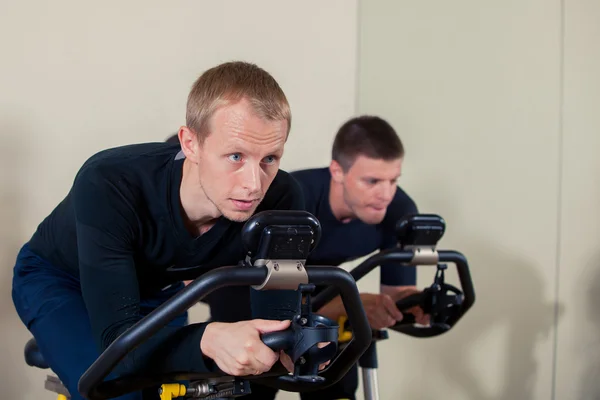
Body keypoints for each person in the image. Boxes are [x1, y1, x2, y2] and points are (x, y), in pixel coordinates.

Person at [12, 61, 309, 400]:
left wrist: (300, 343)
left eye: (270, 158)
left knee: (179, 389)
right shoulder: (110, 182)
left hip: (153, 289)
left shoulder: (282, 198)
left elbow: (279, 327)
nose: (254, 185)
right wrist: (208, 338)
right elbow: (119, 347)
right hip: (61, 281)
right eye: (236, 156)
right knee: (116, 388)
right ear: (190, 143)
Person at [241, 115, 430, 400]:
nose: (386, 194)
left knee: (338, 366)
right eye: (372, 181)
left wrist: (413, 304)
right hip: (256, 288)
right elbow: (269, 312)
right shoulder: (294, 200)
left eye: (393, 180)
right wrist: (343, 305)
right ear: (337, 171)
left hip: (323, 287)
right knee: (259, 374)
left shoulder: (400, 209)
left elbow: (395, 294)